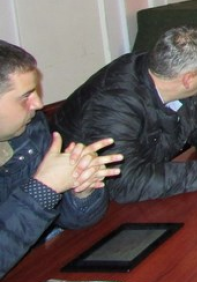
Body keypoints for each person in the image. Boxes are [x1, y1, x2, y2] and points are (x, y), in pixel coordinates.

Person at [54, 27, 197, 204]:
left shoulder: (168, 71)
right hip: (81, 207)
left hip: (150, 189)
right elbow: (123, 181)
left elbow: (196, 118)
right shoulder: (113, 104)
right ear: (188, 79)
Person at [1, 41, 121, 277]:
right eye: (25, 96)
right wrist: (43, 189)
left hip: (37, 259)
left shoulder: (30, 130)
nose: (38, 104)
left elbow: (73, 220)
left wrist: (82, 191)